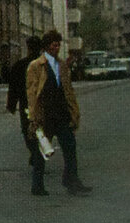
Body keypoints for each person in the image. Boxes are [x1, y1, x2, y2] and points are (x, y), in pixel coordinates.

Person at [25, 29, 92, 196]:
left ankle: (72, 181)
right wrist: (33, 117)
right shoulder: (36, 66)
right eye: (54, 45)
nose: (57, 48)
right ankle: (37, 185)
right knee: (42, 150)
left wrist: (74, 111)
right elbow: (32, 93)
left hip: (62, 114)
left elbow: (68, 90)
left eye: (58, 45)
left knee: (70, 147)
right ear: (47, 46)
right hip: (45, 115)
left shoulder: (62, 65)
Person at [6, 36, 45, 195]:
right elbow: (14, 85)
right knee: (36, 134)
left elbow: (13, 87)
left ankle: (36, 156)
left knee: (29, 133)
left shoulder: (35, 64)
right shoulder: (27, 65)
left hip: (29, 106)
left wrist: (11, 105)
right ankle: (37, 155)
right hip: (32, 105)